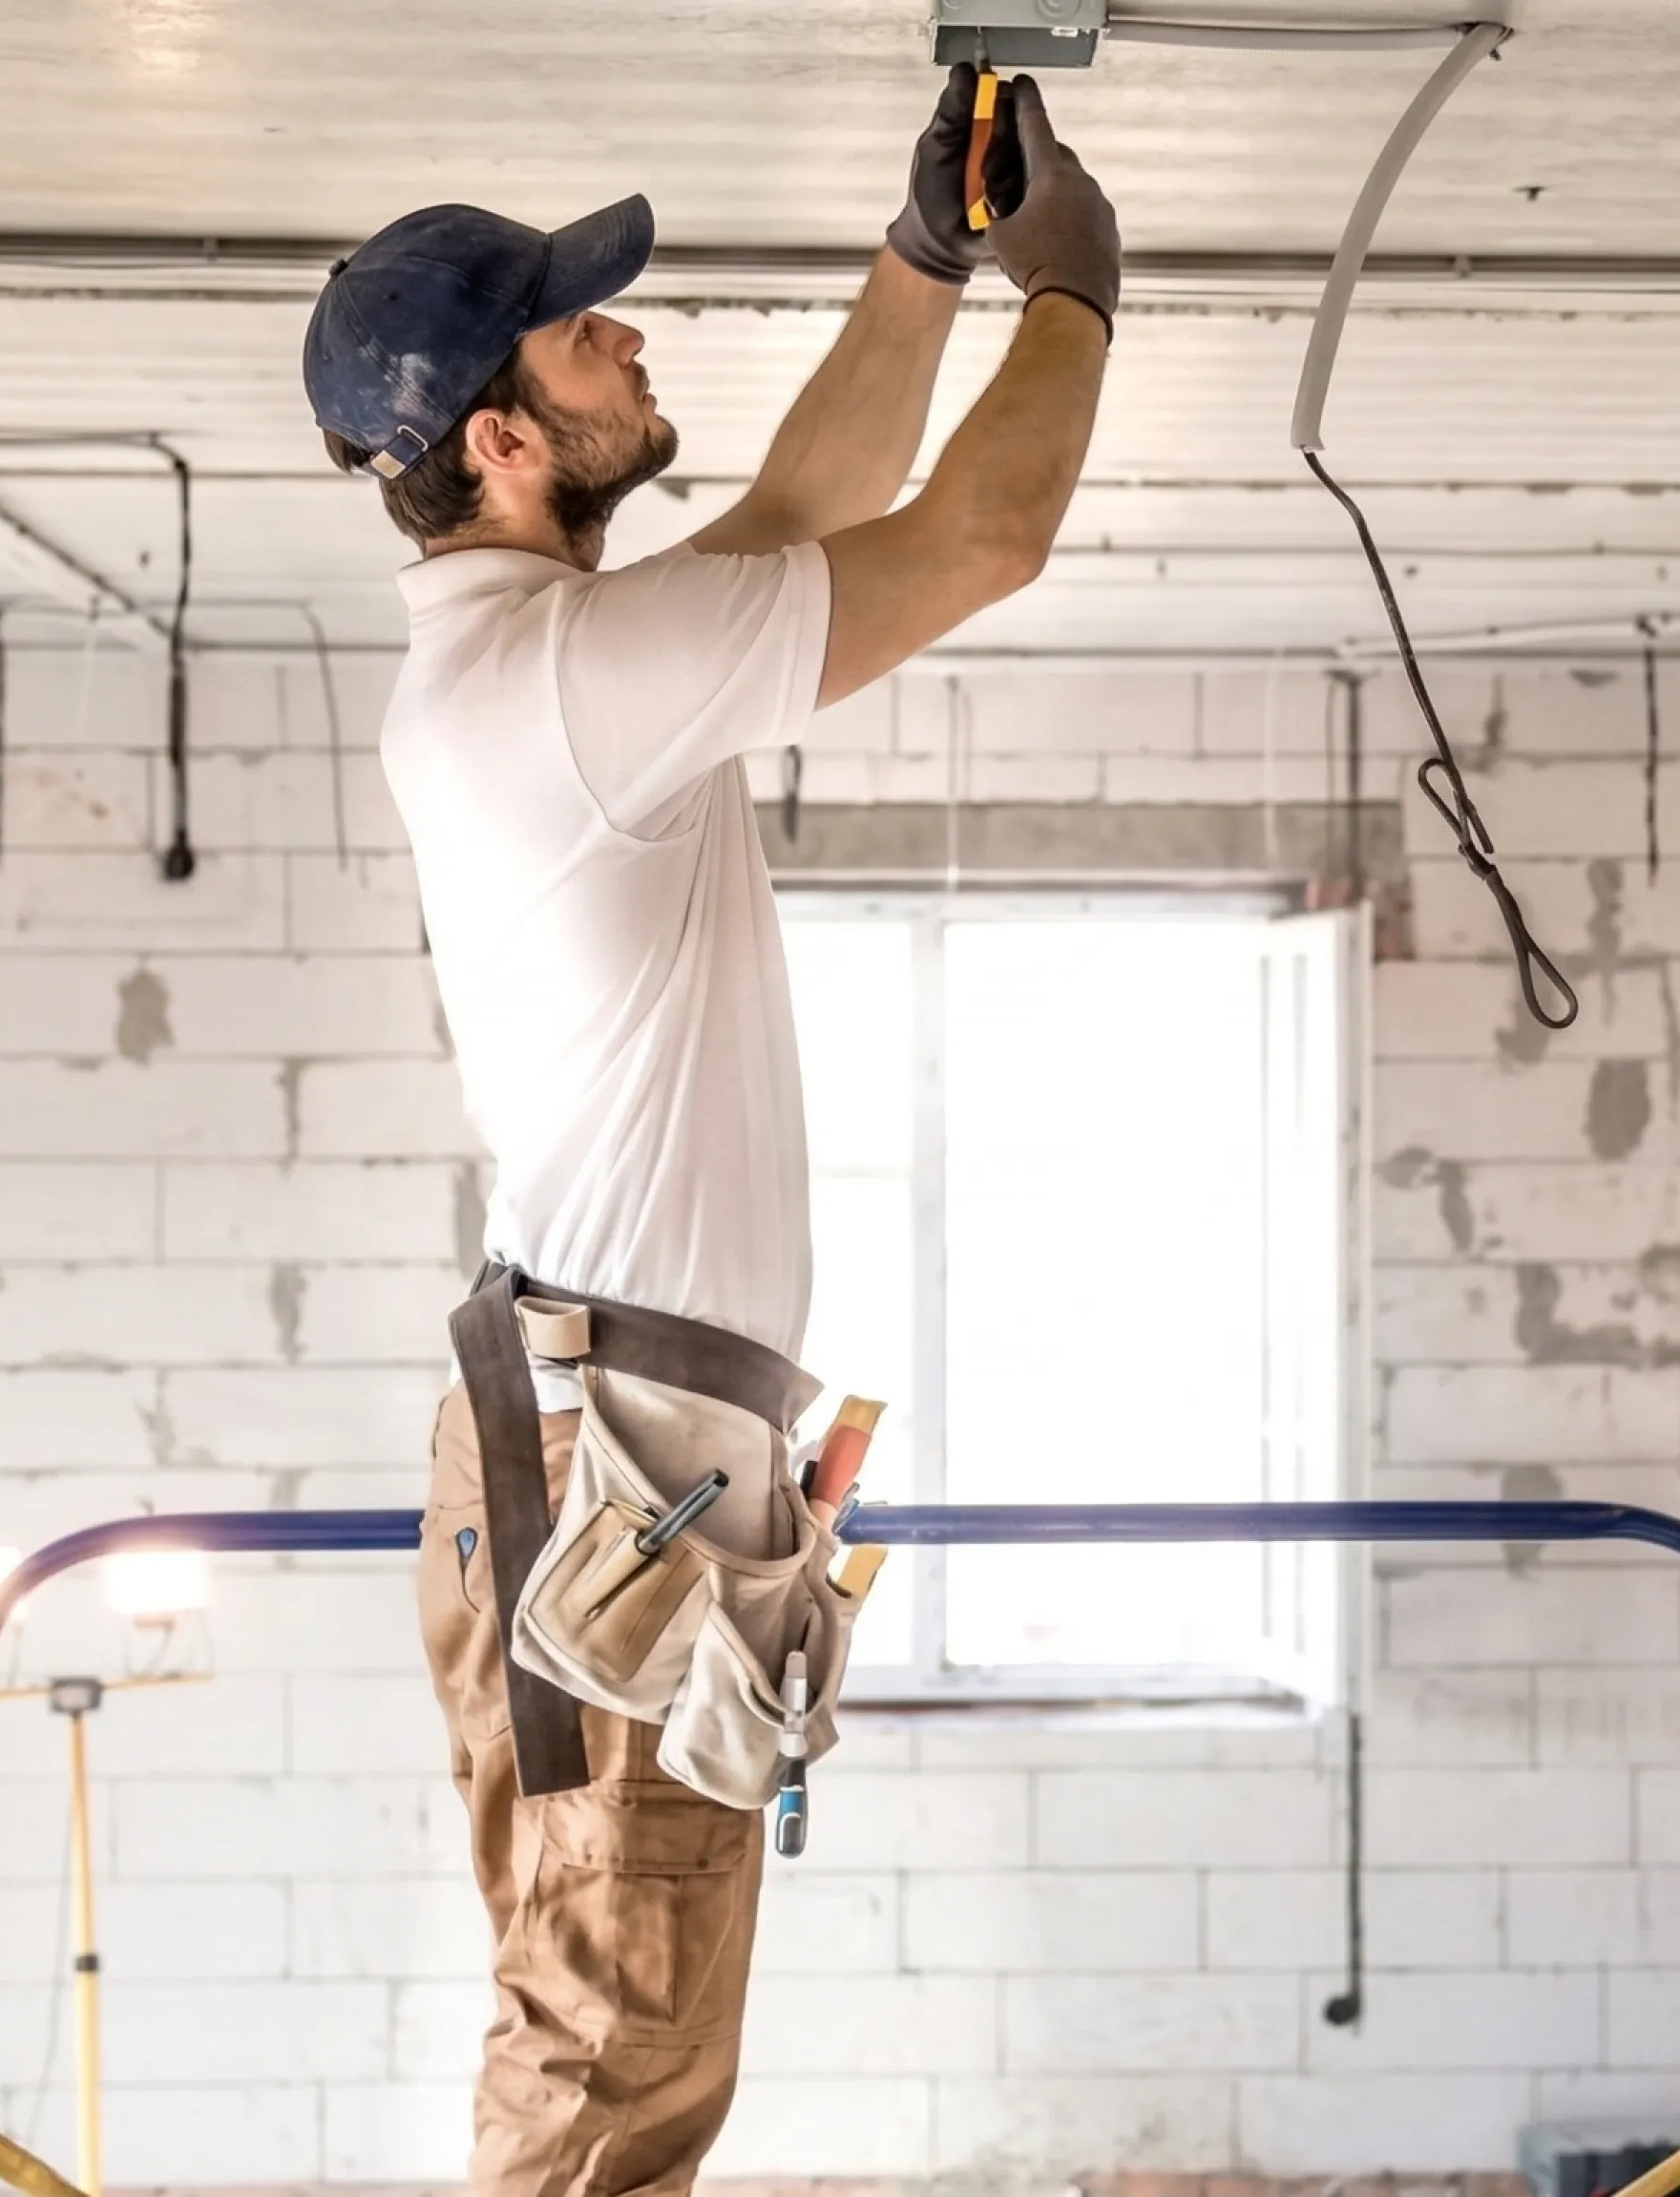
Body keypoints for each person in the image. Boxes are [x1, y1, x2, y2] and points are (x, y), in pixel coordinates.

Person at [295, 67, 1118, 2197]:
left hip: (626, 1443)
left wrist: (927, 262)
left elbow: (790, 526)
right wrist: (1078, 292)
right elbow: (974, 540)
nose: (631, 339)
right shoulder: (549, 684)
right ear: (498, 440)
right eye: (585, 334)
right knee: (607, 2044)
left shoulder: (549, 655)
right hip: (612, 1462)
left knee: (633, 2033)